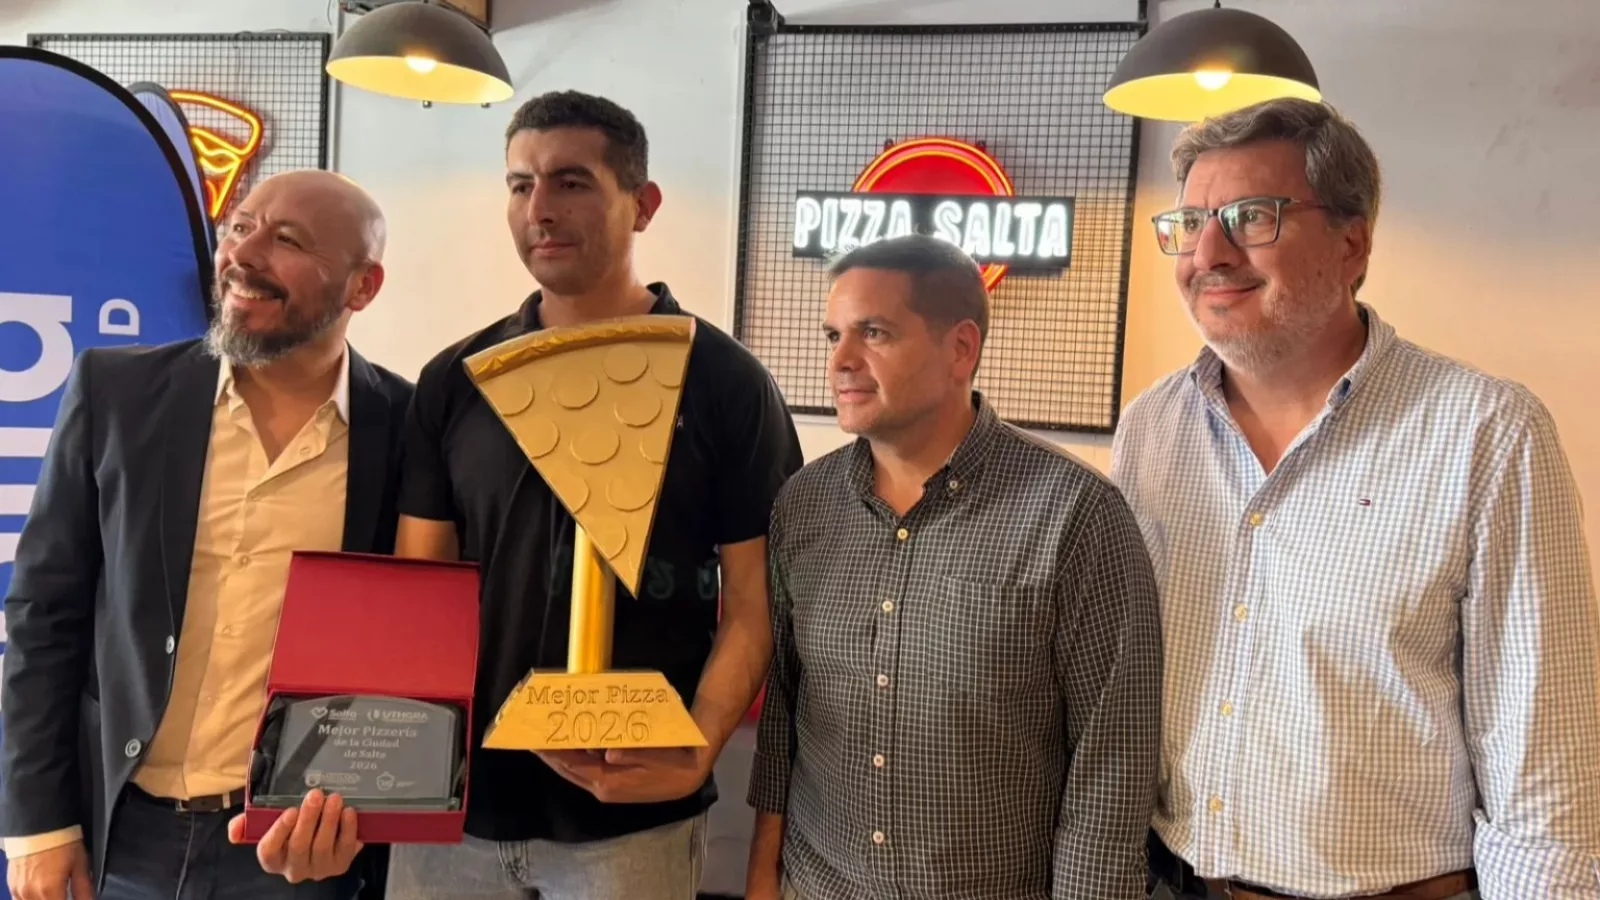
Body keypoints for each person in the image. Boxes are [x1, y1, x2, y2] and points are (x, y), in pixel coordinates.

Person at [1113, 97, 1600, 900]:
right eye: (1191, 222)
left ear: (1352, 242)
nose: (1209, 253)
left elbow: (1544, 771)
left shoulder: (1488, 433)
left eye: (1251, 217)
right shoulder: (1151, 429)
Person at [385, 89, 803, 900]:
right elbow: (419, 595)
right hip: (456, 817)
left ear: (642, 204)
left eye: (571, 182)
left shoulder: (727, 383)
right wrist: (392, 769)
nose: (539, 209)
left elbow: (757, 603)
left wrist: (697, 750)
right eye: (520, 184)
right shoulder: (453, 380)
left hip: (633, 826)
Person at [0, 169, 413, 900]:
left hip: (293, 853)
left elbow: (404, 650)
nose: (243, 255)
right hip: (116, 837)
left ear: (363, 287)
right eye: (240, 227)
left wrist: (359, 820)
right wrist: (37, 823)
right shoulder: (115, 394)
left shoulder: (408, 429)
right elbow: (43, 614)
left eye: (287, 240)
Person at [745, 233, 1164, 900]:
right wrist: (762, 876)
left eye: (873, 333)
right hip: (817, 884)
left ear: (960, 349)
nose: (841, 361)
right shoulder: (803, 505)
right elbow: (786, 716)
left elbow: (1111, 763)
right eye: (834, 335)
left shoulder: (1076, 515)